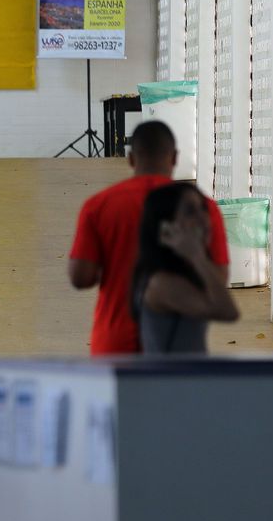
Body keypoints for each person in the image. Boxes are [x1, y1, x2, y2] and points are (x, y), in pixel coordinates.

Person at [68, 120, 230, 355]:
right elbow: (218, 279)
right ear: (174, 157)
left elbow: (80, 277)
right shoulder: (203, 208)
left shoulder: (98, 206)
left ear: (131, 159)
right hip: (176, 348)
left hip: (115, 345)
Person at [132, 183, 240, 355]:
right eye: (190, 212)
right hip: (172, 381)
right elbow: (228, 311)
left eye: (203, 209)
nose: (203, 218)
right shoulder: (162, 284)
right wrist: (197, 256)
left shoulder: (181, 272)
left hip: (186, 380)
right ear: (166, 227)